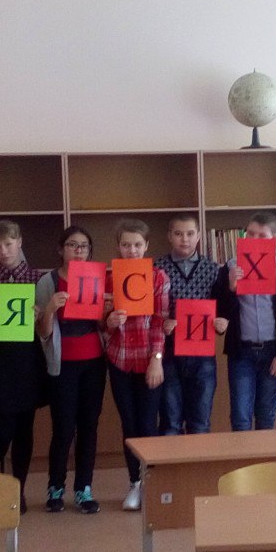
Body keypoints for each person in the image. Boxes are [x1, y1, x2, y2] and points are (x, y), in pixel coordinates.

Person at [0, 221, 49, 512]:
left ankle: (18, 490)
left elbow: (47, 328)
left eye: (8, 244)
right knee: (1, 428)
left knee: (24, 429)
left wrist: (41, 314)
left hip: (27, 360)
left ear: (19, 242)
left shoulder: (39, 278)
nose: (4, 251)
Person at [38, 226, 107, 513]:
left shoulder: (96, 277)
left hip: (94, 362)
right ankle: (55, 487)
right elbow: (43, 333)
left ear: (89, 251)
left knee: (89, 425)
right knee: (64, 427)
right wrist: (50, 308)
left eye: (83, 246)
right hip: (62, 363)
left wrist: (106, 311)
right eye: (72, 245)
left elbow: (102, 325)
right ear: (61, 249)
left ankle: (84, 489)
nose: (78, 251)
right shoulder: (48, 281)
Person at [211, 211, 276, 431]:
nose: (254, 239)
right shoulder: (230, 268)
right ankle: (242, 455)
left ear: (273, 239)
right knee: (240, 415)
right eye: (250, 233)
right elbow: (220, 312)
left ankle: (264, 455)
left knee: (266, 414)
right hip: (242, 352)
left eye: (262, 235)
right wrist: (231, 288)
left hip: (272, 351)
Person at [105, 219, 168, 511]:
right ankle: (135, 483)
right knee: (129, 425)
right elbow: (100, 322)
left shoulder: (158, 278)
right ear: (118, 246)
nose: (132, 250)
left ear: (146, 246)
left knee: (148, 424)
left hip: (148, 361)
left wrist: (157, 359)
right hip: (119, 361)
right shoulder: (109, 278)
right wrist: (109, 321)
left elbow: (159, 322)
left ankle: (150, 485)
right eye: (126, 245)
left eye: (137, 245)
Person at [155, 214, 222, 435]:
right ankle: (172, 460)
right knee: (170, 423)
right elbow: (150, 310)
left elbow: (222, 307)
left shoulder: (213, 269)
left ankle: (198, 460)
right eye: (178, 234)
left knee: (200, 423)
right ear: (169, 236)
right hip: (169, 353)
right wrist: (163, 322)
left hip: (202, 355)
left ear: (199, 236)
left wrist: (221, 321)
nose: (185, 239)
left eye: (190, 233)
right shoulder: (157, 268)